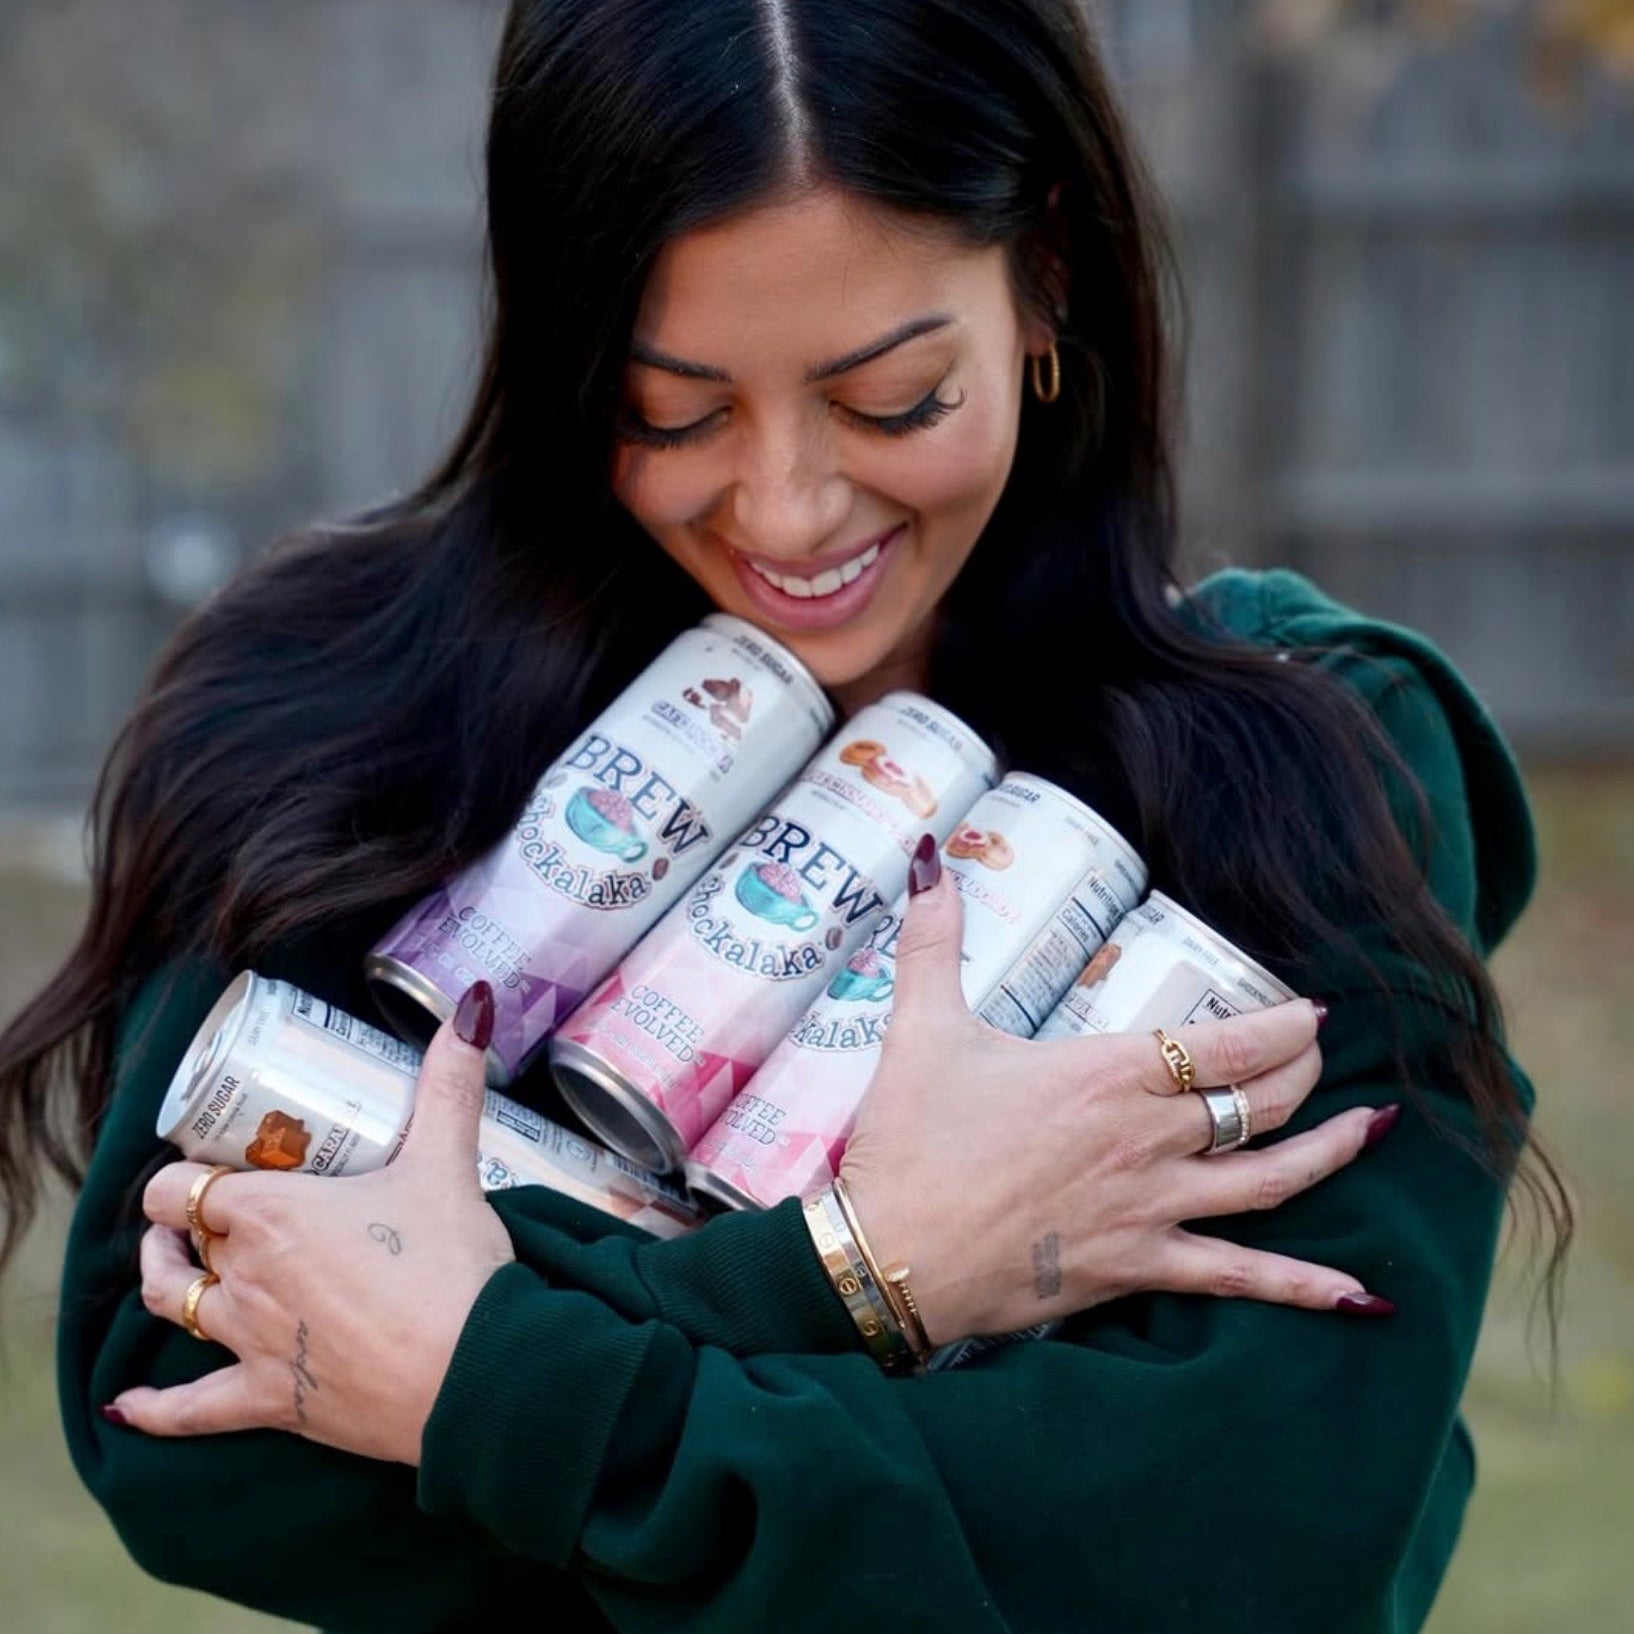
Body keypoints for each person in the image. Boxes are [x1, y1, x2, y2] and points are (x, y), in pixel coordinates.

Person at [0, 2, 1567, 1630]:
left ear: (1047, 276)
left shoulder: (1310, 762)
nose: (788, 509)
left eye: (890, 398)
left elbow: (1234, 1554)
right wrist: (861, 1263)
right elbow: (183, 1433)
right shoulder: (352, 712)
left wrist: (478, 1381)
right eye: (673, 410)